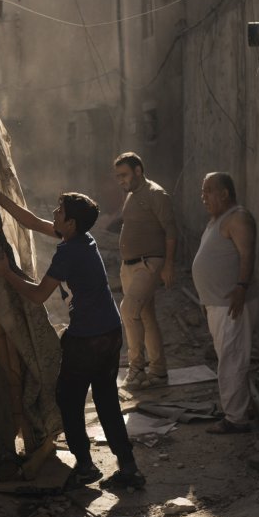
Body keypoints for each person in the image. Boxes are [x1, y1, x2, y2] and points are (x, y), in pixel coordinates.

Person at [0, 190, 146, 489]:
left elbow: (36, 295)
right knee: (107, 400)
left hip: (86, 338)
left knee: (69, 401)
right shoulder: (83, 239)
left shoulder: (68, 251)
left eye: (59, 211)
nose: (54, 214)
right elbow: (32, 221)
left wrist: (5, 272)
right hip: (110, 332)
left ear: (70, 223)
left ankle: (85, 466)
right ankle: (129, 467)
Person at [191, 172, 258, 434]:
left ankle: (235, 419)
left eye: (208, 191)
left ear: (224, 194)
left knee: (232, 359)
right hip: (217, 303)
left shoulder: (238, 218)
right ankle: (241, 407)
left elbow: (247, 254)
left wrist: (241, 288)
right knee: (229, 356)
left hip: (231, 303)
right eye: (203, 191)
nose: (203, 196)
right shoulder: (217, 220)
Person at [113, 152, 178, 389]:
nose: (120, 180)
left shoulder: (155, 194)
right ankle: (158, 372)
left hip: (149, 264)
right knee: (146, 316)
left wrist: (168, 265)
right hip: (129, 266)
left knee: (128, 311)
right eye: (118, 176)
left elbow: (171, 230)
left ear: (138, 171)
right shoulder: (132, 195)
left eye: (124, 175)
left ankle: (137, 370)